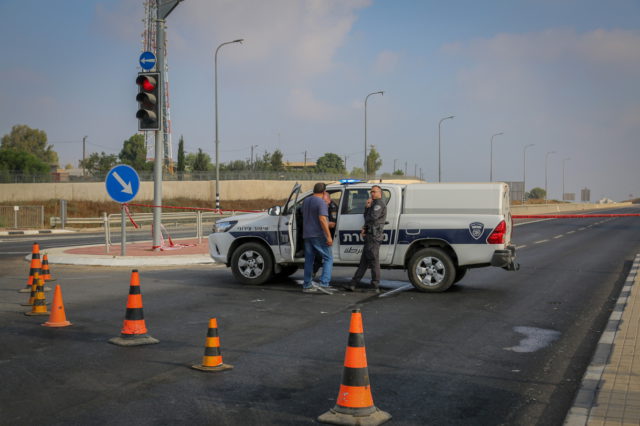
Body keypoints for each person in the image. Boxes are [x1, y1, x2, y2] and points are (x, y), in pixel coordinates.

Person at [345, 185, 387, 293]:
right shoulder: (374, 204)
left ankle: (375, 286)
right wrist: (367, 209)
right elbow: (367, 218)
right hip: (370, 236)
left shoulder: (379, 204)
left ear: (379, 193)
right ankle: (353, 284)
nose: (372, 193)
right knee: (363, 262)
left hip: (374, 236)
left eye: (374, 192)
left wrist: (367, 208)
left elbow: (372, 217)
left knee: (373, 261)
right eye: (371, 192)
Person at [301, 183, 334, 294]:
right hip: (318, 235)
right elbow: (322, 219)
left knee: (309, 260)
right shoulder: (321, 202)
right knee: (328, 258)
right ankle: (324, 284)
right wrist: (329, 236)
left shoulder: (306, 201)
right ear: (324, 192)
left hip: (307, 235)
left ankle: (307, 285)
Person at [313, 192, 338, 277]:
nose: (324, 204)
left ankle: (321, 278)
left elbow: (332, 224)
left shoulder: (332, 207)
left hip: (328, 235)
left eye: (325, 201)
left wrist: (321, 222)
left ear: (329, 200)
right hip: (320, 234)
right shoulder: (321, 204)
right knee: (320, 255)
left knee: (322, 256)